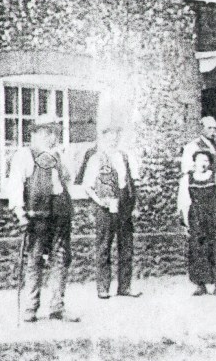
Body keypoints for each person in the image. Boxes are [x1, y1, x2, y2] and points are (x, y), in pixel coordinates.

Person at [5, 113, 79, 322]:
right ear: (35, 133)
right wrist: (19, 212)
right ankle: (30, 308)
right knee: (34, 259)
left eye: (54, 132)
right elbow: (16, 184)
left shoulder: (60, 155)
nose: (51, 137)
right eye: (46, 132)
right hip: (37, 215)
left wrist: (62, 159)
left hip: (60, 213)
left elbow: (69, 179)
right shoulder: (25, 154)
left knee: (61, 259)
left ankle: (57, 307)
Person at [82, 121, 143, 299]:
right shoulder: (95, 159)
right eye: (109, 136)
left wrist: (134, 205)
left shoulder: (126, 157)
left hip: (124, 206)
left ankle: (125, 286)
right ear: (104, 138)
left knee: (126, 247)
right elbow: (87, 186)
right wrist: (100, 202)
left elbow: (133, 183)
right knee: (103, 246)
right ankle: (103, 287)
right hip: (105, 208)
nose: (113, 139)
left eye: (116, 136)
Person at [178, 150, 216, 296]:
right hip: (196, 218)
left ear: (209, 163)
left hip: (215, 216)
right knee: (198, 249)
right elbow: (184, 202)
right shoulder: (187, 179)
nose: (202, 164)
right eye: (200, 160)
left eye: (206, 161)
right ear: (194, 162)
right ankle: (200, 284)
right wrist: (185, 222)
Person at [180, 116, 216, 180]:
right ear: (201, 129)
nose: (213, 131)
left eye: (214, 128)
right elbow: (187, 170)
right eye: (209, 128)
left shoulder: (214, 146)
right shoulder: (193, 146)